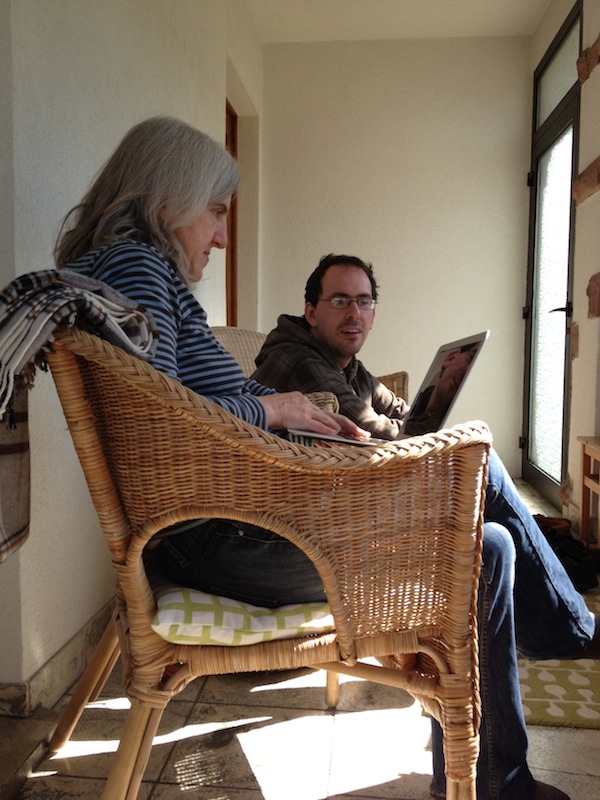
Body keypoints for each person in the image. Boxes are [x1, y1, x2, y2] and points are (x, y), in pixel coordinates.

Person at [252, 253, 600, 800]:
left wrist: (432, 402)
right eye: (339, 300)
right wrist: (421, 424)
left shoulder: (343, 365)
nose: (354, 313)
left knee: (489, 542)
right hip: (307, 536)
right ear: (311, 310)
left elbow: (401, 418)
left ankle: (479, 777)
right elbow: (381, 442)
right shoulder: (297, 359)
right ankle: (569, 632)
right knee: (481, 466)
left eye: (364, 301)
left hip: (337, 516)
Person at [54, 116, 367, 608]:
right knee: (464, 541)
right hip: (208, 538)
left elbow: (212, 394)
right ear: (165, 202)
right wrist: (273, 411)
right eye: (216, 212)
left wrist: (300, 409)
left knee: (473, 526)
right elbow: (163, 421)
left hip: (224, 524)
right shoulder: (136, 265)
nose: (222, 238)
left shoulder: (147, 273)